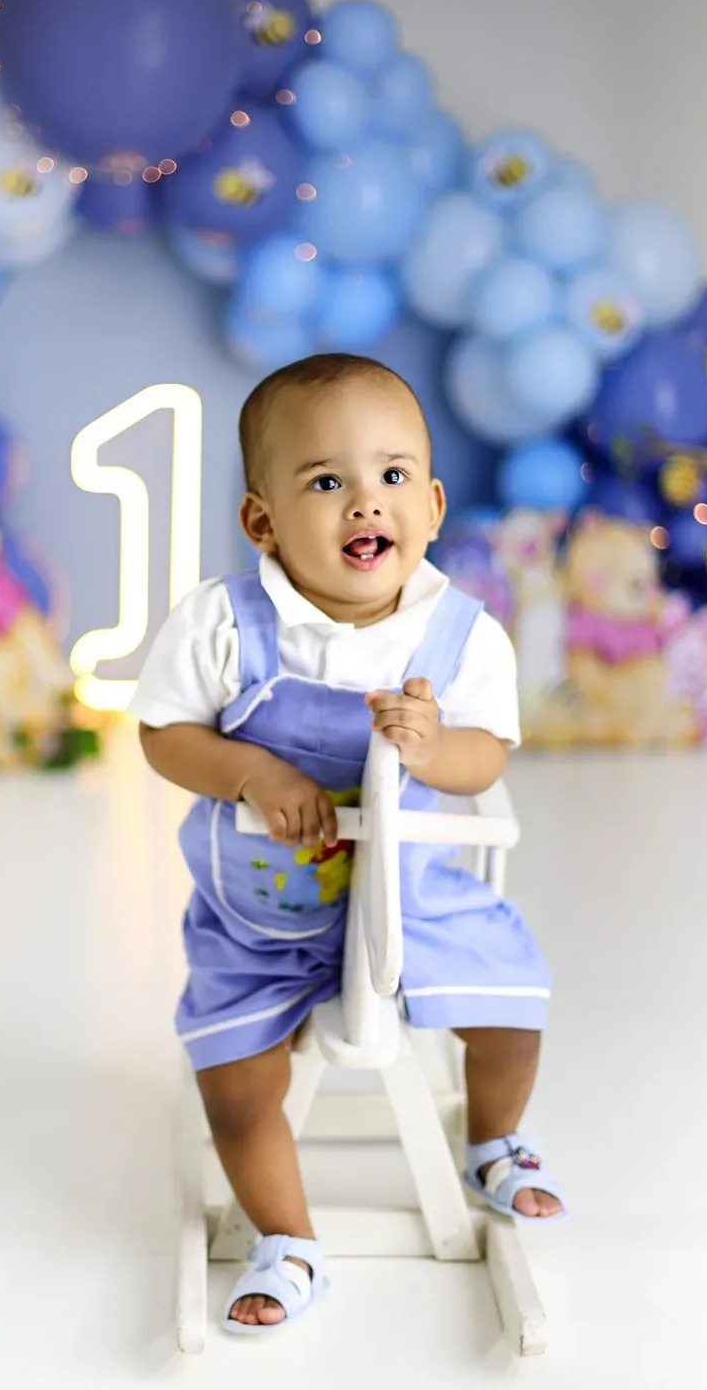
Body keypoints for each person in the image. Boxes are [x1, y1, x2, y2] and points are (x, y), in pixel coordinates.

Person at [133, 353, 566, 1337]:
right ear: (262, 522)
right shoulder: (226, 624)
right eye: (327, 482)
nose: (366, 503)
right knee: (239, 1089)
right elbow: (163, 734)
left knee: (513, 1005)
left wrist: (435, 742)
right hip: (261, 917)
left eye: (393, 476)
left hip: (409, 898)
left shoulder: (460, 636)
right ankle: (286, 1237)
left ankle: (495, 1136)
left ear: (435, 502)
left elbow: (485, 756)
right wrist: (252, 772)